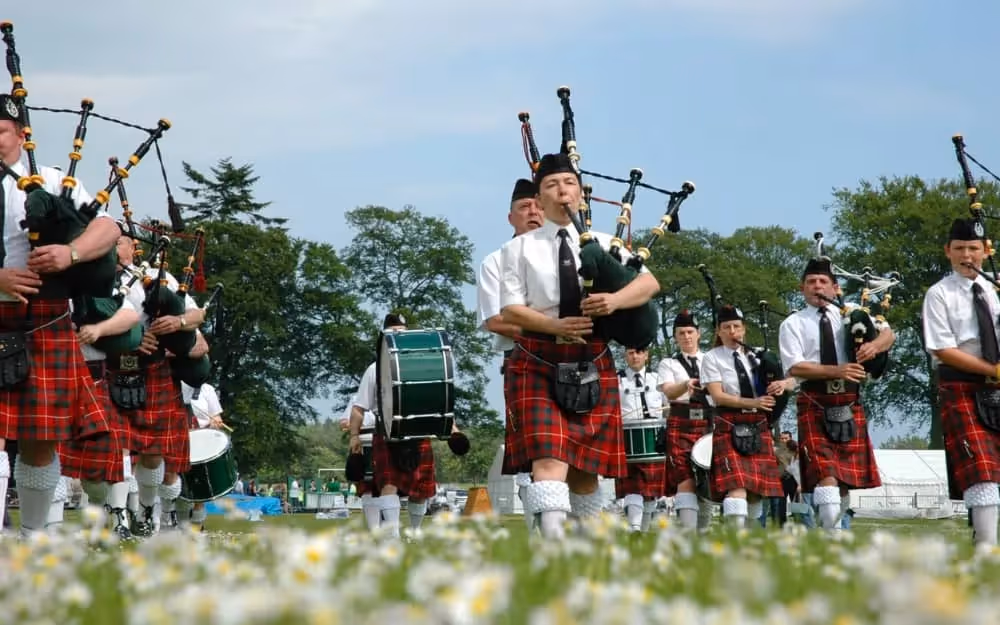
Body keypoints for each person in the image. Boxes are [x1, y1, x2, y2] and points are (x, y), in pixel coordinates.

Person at [499, 152, 661, 539]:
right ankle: (553, 543)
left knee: (586, 473)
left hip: (593, 359)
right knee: (550, 459)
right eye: (552, 185)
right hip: (540, 358)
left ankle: (586, 549)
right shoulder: (517, 250)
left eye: (569, 184)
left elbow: (649, 284)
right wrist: (554, 325)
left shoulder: (606, 243)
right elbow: (511, 309)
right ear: (540, 199)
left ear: (581, 196)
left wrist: (614, 301)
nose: (562, 191)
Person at [0, 94, 122, 537]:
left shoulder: (51, 179)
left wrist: (70, 253)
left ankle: (35, 536)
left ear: (20, 134)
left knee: (39, 441)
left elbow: (107, 228)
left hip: (44, 318)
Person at [779, 257, 892, 532]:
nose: (817, 287)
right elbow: (795, 366)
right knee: (826, 475)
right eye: (811, 282)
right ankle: (830, 536)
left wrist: (874, 347)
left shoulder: (851, 312)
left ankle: (835, 532)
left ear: (834, 286)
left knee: (843, 481)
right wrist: (838, 370)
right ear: (802, 288)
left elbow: (889, 334)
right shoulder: (793, 323)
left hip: (850, 402)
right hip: (815, 401)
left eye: (823, 282)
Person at [107, 228, 207, 536]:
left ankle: (147, 510)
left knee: (151, 453)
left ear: (132, 245)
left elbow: (196, 315)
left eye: (117, 242)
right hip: (115, 367)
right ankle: (118, 518)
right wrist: (129, 340)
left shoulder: (157, 276)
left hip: (155, 371)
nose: (111, 248)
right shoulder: (96, 278)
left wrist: (176, 322)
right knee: (116, 446)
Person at [348, 313, 470, 538]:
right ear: (384, 336)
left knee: (421, 490)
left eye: (401, 332)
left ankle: (414, 533)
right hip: (386, 433)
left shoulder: (420, 364)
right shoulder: (374, 369)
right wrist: (354, 436)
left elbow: (436, 400)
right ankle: (392, 536)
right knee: (388, 484)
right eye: (392, 332)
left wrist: (453, 429)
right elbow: (359, 408)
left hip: (418, 429)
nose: (397, 336)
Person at [922, 217, 1000, 546]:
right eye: (959, 249)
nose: (967, 255)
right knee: (982, 471)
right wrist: (992, 371)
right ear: (948, 252)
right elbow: (942, 348)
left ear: (986, 250)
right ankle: (985, 548)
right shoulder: (939, 294)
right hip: (963, 387)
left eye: (973, 248)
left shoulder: (996, 288)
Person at [58, 265, 147, 539]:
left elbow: (130, 315)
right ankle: (95, 510)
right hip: (61, 374)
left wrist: (98, 329)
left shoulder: (110, 281)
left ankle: (119, 517)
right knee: (80, 464)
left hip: (99, 377)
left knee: (117, 450)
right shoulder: (57, 279)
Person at [477, 178, 543, 531]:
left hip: (576, 361)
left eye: (537, 206)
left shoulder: (572, 255)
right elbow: (494, 321)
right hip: (525, 362)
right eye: (524, 208)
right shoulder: (496, 262)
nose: (533, 213)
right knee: (530, 455)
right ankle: (539, 531)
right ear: (510, 217)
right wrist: (550, 329)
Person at [701, 305, 791, 528]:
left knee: (755, 493)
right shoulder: (712, 358)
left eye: (736, 327)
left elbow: (792, 379)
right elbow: (717, 396)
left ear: (744, 330)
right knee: (736, 487)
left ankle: (749, 539)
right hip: (729, 424)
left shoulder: (760, 355)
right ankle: (735, 540)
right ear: (719, 332)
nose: (732, 331)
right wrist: (754, 402)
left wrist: (782, 385)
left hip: (759, 425)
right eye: (726, 327)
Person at [657, 309, 716, 531]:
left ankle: (703, 532)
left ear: (698, 334)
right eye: (681, 333)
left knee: (707, 479)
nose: (686, 337)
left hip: (708, 422)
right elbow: (670, 393)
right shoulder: (668, 364)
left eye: (690, 332)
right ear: (675, 337)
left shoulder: (710, 360)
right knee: (685, 479)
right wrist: (686, 384)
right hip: (680, 423)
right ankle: (688, 536)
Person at [615, 346, 664, 532]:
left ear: (646, 355)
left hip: (655, 439)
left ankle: (642, 531)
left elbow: (668, 405)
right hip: (627, 439)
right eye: (630, 352)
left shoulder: (658, 379)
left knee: (651, 491)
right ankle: (634, 528)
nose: (635, 356)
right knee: (633, 487)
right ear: (625, 355)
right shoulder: (616, 380)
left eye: (639, 352)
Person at [180, 380, 227, 531]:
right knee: (177, 487)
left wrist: (216, 423)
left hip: (201, 441)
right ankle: (176, 523)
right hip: (178, 438)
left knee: (198, 490)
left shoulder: (207, 389)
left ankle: (197, 525)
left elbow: (217, 418)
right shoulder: (172, 384)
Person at [340, 396, 381, 531]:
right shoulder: (357, 398)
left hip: (387, 444)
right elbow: (344, 423)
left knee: (390, 487)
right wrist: (352, 425)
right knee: (368, 487)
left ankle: (388, 531)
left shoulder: (391, 392)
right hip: (364, 444)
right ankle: (374, 530)